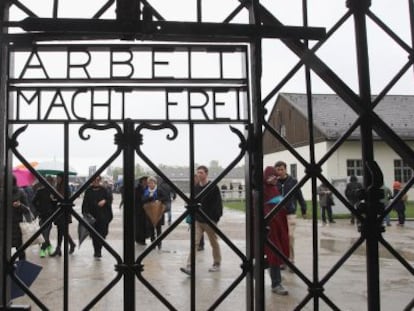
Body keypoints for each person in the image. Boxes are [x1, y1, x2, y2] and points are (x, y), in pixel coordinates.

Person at [181, 165, 223, 275]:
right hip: (198, 220)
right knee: (194, 243)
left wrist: (215, 218)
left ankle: (217, 263)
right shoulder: (195, 188)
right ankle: (189, 266)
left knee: (213, 242)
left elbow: (218, 204)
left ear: (206, 174)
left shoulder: (213, 187)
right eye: (198, 172)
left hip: (210, 220)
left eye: (201, 173)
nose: (199, 175)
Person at [274, 160, 306, 266]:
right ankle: (282, 260)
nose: (280, 172)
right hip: (278, 214)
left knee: (290, 236)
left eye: (282, 169)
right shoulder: (274, 182)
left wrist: (303, 209)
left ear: (285, 169)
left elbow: (299, 195)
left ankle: (291, 259)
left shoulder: (293, 181)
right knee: (280, 237)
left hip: (290, 213)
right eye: (278, 170)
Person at [263, 166, 289, 295]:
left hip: (277, 227)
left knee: (275, 254)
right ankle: (276, 283)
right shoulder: (262, 190)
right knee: (273, 255)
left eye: (276, 177)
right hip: (268, 229)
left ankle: (274, 278)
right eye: (273, 176)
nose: (275, 179)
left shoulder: (274, 189)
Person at [81, 175, 113, 258]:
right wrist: (86, 213)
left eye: (98, 180)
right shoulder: (88, 191)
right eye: (94, 180)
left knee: (103, 233)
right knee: (94, 234)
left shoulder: (104, 190)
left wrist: (105, 201)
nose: (96, 181)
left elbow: (109, 198)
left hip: (103, 216)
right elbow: (85, 203)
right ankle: (97, 251)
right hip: (93, 217)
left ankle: (99, 248)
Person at [50, 173, 76, 257]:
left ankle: (63, 247)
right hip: (58, 212)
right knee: (60, 231)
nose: (57, 179)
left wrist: (57, 197)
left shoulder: (66, 187)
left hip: (64, 212)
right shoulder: (57, 186)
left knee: (63, 230)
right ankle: (61, 248)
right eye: (57, 177)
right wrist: (53, 197)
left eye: (58, 178)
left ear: (62, 178)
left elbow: (68, 199)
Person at [141, 176, 169, 249]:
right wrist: (149, 197)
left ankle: (159, 243)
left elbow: (165, 198)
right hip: (149, 213)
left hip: (158, 212)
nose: (150, 184)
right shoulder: (146, 190)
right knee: (151, 228)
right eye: (149, 183)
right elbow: (143, 200)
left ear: (155, 183)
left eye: (152, 183)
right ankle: (153, 242)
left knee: (158, 228)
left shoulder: (159, 190)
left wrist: (158, 200)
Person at [32, 176, 56, 257]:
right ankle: (49, 247)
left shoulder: (53, 192)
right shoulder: (40, 191)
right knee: (44, 234)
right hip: (42, 215)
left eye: (50, 181)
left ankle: (43, 249)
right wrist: (39, 209)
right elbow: (33, 201)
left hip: (50, 215)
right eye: (47, 181)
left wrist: (53, 201)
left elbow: (56, 204)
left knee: (46, 233)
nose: (49, 183)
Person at [11, 175, 29, 261]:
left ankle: (22, 270)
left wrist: (19, 205)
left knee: (20, 250)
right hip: (3, 226)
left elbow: (27, 209)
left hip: (16, 226)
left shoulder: (20, 192)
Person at [134, 176, 150, 245]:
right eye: (145, 181)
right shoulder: (137, 189)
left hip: (146, 210)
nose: (146, 182)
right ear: (142, 181)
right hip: (139, 210)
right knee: (139, 225)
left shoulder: (147, 189)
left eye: (147, 181)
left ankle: (143, 239)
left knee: (144, 225)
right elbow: (138, 199)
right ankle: (139, 239)